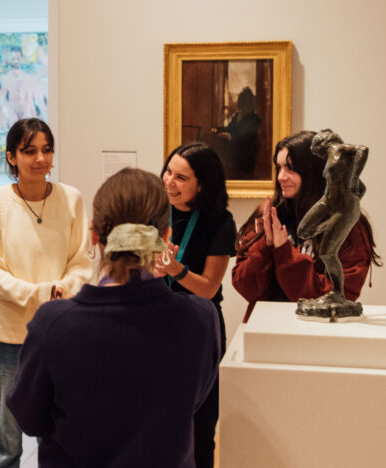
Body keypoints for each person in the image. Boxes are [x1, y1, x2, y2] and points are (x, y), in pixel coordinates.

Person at [6, 168, 221, 467]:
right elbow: (192, 402)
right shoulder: (201, 318)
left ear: (93, 235)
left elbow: (29, 418)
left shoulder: (54, 324)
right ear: (166, 235)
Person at [0, 117, 92, 467]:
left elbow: (82, 261)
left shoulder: (70, 198)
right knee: (6, 446)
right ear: (12, 157)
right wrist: (42, 292)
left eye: (46, 150)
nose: (40, 159)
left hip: (61, 333)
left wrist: (64, 289)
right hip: (8, 338)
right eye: (29, 151)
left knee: (59, 440)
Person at [232, 131, 382, 322]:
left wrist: (284, 251)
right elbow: (246, 288)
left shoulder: (350, 226)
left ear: (314, 170)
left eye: (291, 168)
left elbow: (338, 296)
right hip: (264, 331)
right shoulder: (267, 216)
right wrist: (266, 245)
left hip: (315, 338)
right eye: (279, 168)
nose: (281, 177)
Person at [154, 142, 236, 468]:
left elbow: (209, 288)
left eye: (181, 178)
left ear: (202, 184)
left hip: (199, 330)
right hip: (154, 325)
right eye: (168, 172)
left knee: (199, 428)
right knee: (157, 424)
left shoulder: (220, 222)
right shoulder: (154, 212)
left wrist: (176, 269)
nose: (169, 182)